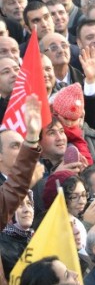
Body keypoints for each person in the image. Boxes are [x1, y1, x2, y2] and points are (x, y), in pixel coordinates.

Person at [0, 94, 43, 229]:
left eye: (23, 145)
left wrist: (32, 137)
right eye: (15, 146)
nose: (22, 151)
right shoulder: (25, 182)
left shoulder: (38, 183)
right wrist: (23, 183)